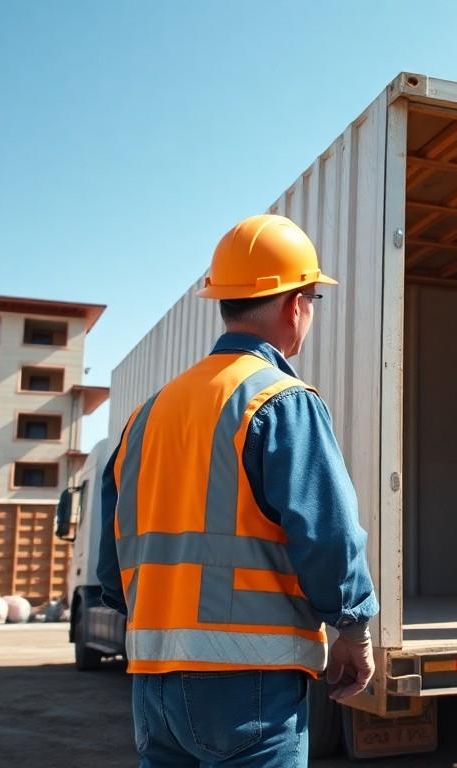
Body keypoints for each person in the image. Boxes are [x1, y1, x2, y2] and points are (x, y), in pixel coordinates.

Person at [96, 214, 379, 767]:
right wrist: (352, 626)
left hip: (152, 684)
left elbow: (113, 565)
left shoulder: (148, 414)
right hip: (250, 686)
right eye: (312, 299)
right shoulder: (280, 399)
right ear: (294, 304)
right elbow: (328, 534)